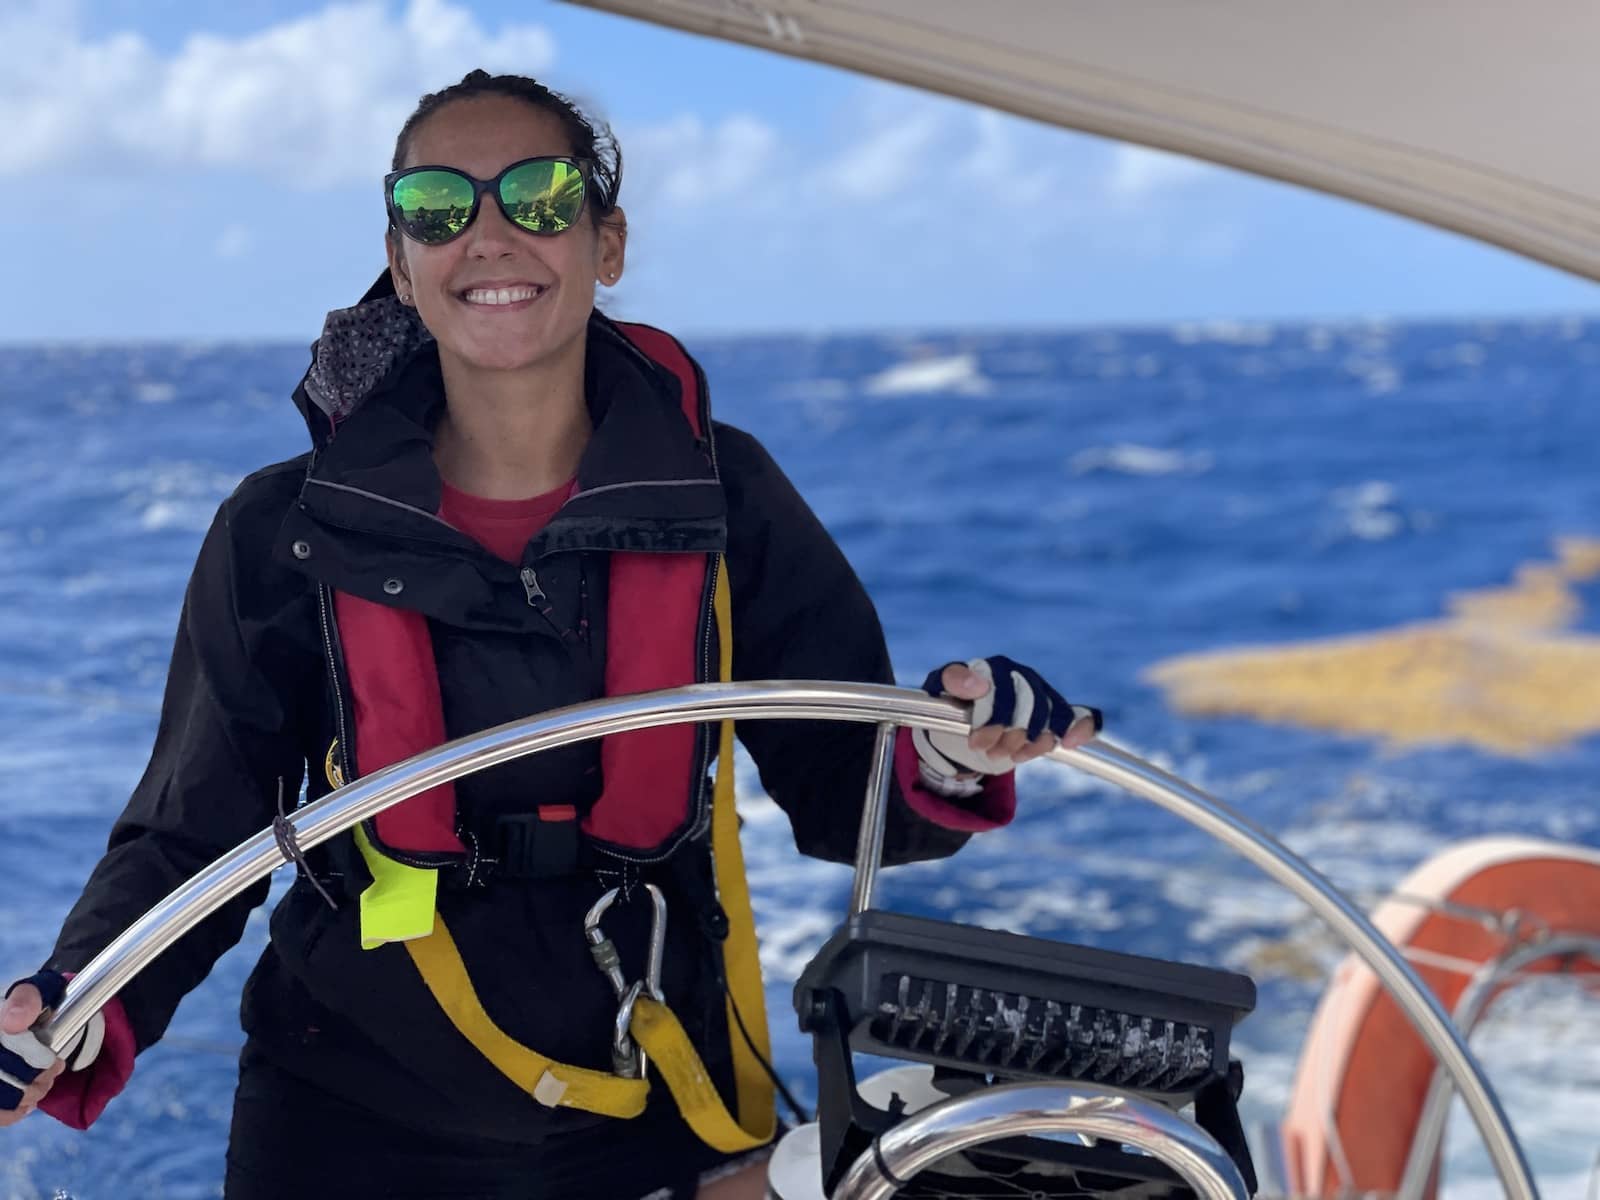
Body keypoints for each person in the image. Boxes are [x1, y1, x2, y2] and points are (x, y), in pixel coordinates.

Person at [0, 71, 1101, 1199]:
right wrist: (79, 1001)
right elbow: (194, 836)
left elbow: (844, 786)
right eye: (439, 205)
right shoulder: (279, 531)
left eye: (537, 195)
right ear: (401, 257)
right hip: (346, 1111)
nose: (487, 234)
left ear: (605, 243)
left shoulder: (728, 498)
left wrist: (950, 749)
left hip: (655, 1092)